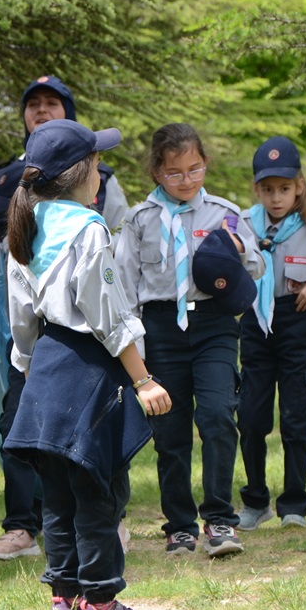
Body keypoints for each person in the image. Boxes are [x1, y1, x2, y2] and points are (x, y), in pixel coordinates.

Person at [3, 119, 168, 610]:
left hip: (47, 367)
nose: (102, 172)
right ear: (81, 173)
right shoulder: (88, 226)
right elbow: (108, 314)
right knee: (100, 490)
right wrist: (142, 379)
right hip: (91, 367)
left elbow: (21, 318)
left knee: (57, 495)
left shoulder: (27, 224)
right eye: (97, 163)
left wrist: (30, 371)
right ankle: (100, 605)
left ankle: (64, 601)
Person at [0, 75, 130, 561]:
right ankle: (21, 525)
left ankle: (103, 522)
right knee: (19, 418)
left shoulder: (102, 182)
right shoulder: (4, 179)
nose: (40, 110)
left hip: (82, 326)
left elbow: (117, 242)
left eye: (51, 103)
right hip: (24, 326)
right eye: (32, 104)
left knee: (91, 429)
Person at [114, 123, 265, 557]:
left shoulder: (226, 212)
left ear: (206, 164)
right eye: (174, 173)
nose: (186, 180)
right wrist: (136, 348)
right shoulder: (139, 220)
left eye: (194, 169)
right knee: (170, 431)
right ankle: (179, 525)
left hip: (214, 324)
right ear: (157, 172)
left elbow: (255, 266)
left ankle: (219, 518)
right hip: (161, 327)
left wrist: (238, 249)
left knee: (219, 414)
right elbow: (125, 284)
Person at [236, 137, 306, 531]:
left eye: (284, 188)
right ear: (257, 190)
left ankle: (294, 503)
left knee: (296, 418)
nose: (276, 198)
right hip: (255, 324)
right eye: (268, 190)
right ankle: (255, 501)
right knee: (251, 417)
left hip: (298, 323)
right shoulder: (243, 224)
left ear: (299, 185)